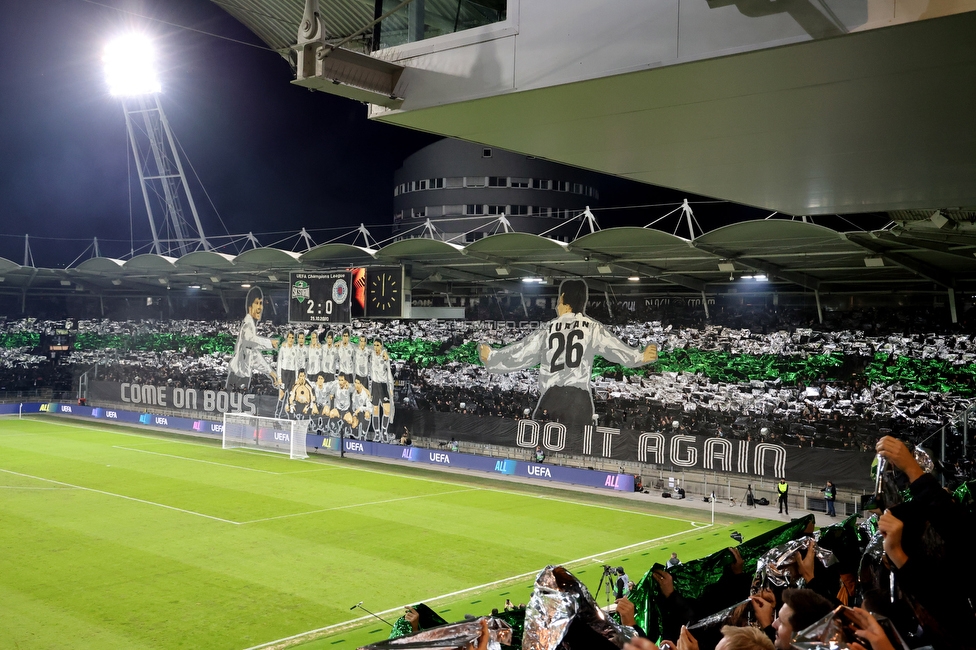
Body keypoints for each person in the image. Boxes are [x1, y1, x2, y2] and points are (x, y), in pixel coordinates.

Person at [479, 279, 658, 433]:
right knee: (577, 445)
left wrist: (492, 358)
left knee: (544, 441)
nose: (557, 305)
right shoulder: (592, 327)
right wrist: (640, 356)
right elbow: (616, 350)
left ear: (564, 299)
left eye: (559, 299)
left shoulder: (549, 328)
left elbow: (522, 353)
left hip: (553, 396)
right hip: (580, 399)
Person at [226, 286, 280, 391]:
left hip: (242, 377)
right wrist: (269, 344)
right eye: (257, 303)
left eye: (261, 303)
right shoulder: (248, 323)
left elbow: (253, 356)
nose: (260, 307)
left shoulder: (251, 324)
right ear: (250, 306)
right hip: (238, 377)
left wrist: (271, 372)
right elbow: (249, 340)